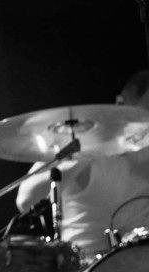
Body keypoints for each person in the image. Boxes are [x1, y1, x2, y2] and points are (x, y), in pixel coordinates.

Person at [16, 69, 149, 264]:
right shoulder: (78, 141)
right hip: (87, 262)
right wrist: (86, 153)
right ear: (121, 104)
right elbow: (26, 199)